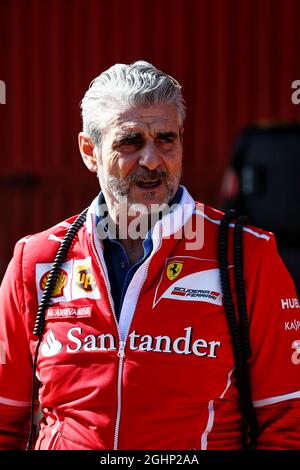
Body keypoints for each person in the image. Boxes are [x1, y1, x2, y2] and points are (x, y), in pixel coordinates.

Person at [0, 61, 299, 451]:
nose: (152, 160)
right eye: (130, 141)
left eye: (165, 139)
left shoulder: (246, 256)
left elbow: (287, 423)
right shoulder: (36, 260)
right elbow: (5, 423)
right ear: (90, 151)